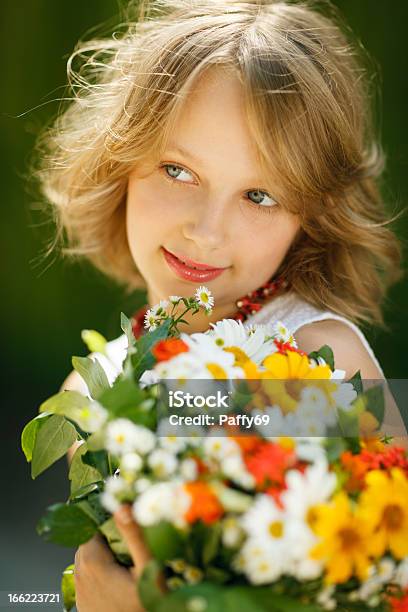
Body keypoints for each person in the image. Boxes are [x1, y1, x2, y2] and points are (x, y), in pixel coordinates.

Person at [33, 0, 407, 609]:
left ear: (310, 217)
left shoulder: (318, 356)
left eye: (259, 194)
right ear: (118, 159)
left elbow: (392, 583)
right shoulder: (92, 387)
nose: (206, 232)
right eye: (178, 171)